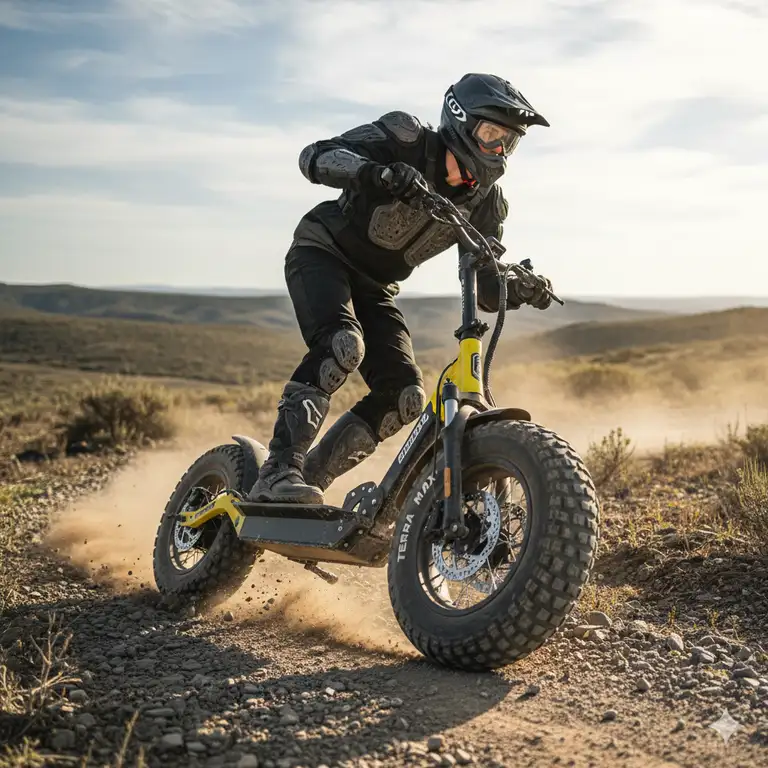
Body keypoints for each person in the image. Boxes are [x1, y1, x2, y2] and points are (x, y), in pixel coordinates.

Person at [248, 73, 553, 505]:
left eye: (509, 142)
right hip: (323, 252)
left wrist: (518, 288)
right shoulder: (405, 137)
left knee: (405, 397)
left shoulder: (487, 201)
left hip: (376, 286)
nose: (500, 150)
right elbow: (313, 157)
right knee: (342, 345)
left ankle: (308, 484)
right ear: (461, 121)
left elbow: (486, 289)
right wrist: (378, 172)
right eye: (491, 135)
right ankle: (277, 472)